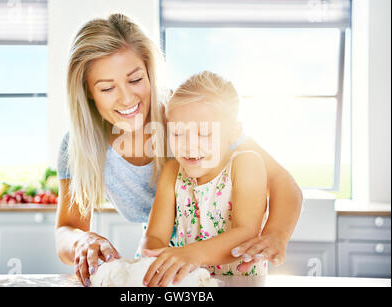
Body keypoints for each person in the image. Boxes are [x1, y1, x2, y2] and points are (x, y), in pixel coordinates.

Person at [55, 13, 303, 287]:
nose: (126, 98)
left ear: (150, 72)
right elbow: (68, 228)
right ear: (87, 91)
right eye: (107, 88)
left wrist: (275, 234)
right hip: (175, 272)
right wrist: (82, 241)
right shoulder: (80, 146)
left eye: (136, 80)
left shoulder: (189, 118)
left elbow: (282, 182)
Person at [142, 71, 272, 287]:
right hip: (189, 285)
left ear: (233, 132)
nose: (189, 145)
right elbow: (154, 236)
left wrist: (191, 255)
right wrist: (155, 256)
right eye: (177, 133)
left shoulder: (246, 164)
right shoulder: (172, 171)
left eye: (203, 133)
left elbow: (245, 233)